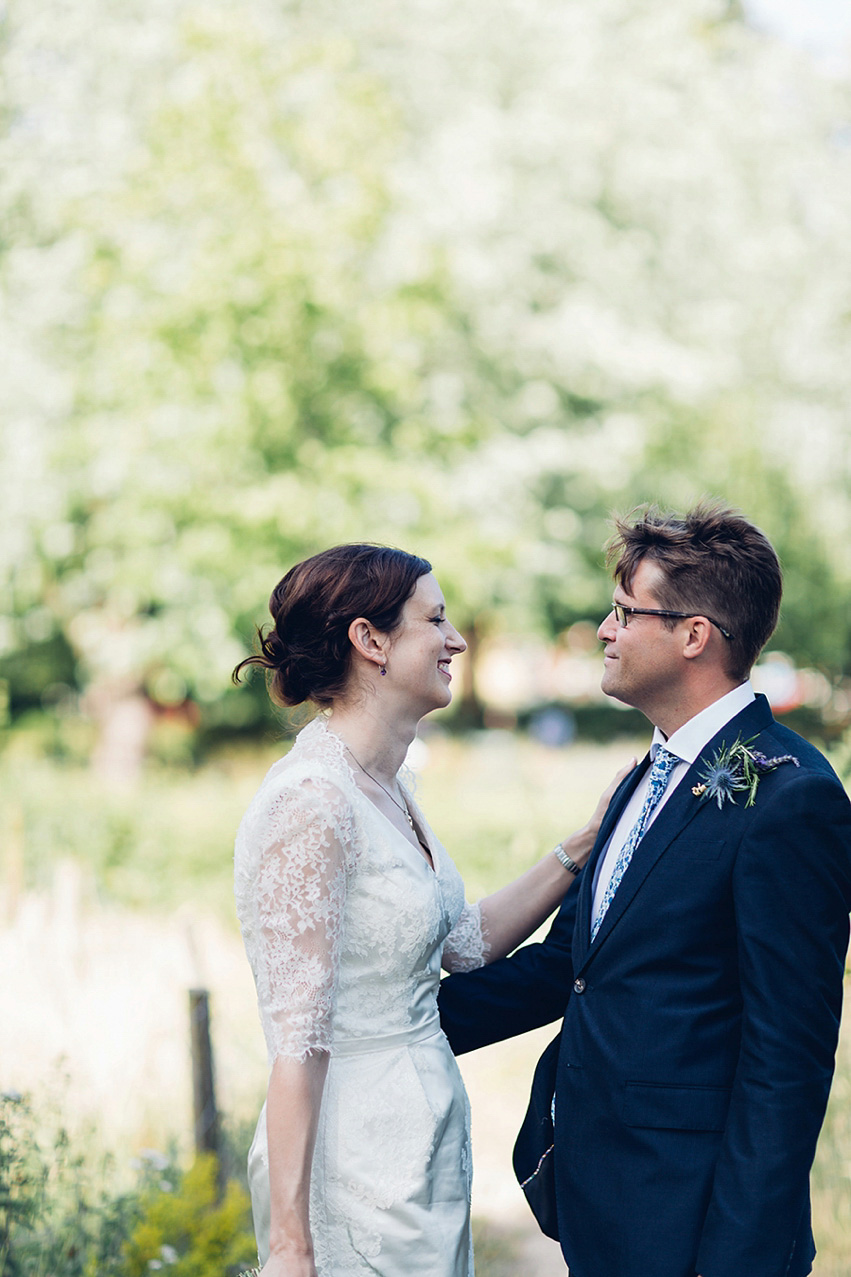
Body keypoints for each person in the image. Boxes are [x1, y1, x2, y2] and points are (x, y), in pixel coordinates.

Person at [439, 501, 851, 1277]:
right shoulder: (641, 780)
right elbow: (574, 966)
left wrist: (735, 1258)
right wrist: (395, 1025)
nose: (603, 629)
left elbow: (786, 1059)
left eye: (625, 612)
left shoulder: (792, 796)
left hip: (696, 1222)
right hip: (600, 1199)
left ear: (694, 635)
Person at [232, 543, 629, 1277]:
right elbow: (298, 1039)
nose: (457, 639)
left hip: (425, 1148)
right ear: (370, 639)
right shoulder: (310, 803)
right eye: (435, 619)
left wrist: (586, 839)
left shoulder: (387, 786)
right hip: (350, 1160)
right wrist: (290, 1247)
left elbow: (466, 943)